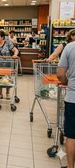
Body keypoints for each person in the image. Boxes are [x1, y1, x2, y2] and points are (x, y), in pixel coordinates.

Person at [57, 29, 75, 168]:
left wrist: (66, 83)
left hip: (73, 97)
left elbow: (60, 73)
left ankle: (70, 166)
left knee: (72, 136)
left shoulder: (69, 47)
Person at [0, 30, 19, 100]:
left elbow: (16, 50)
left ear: (2, 37)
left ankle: (7, 93)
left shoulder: (8, 43)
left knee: (7, 79)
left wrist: (15, 55)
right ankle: (0, 94)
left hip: (7, 65)